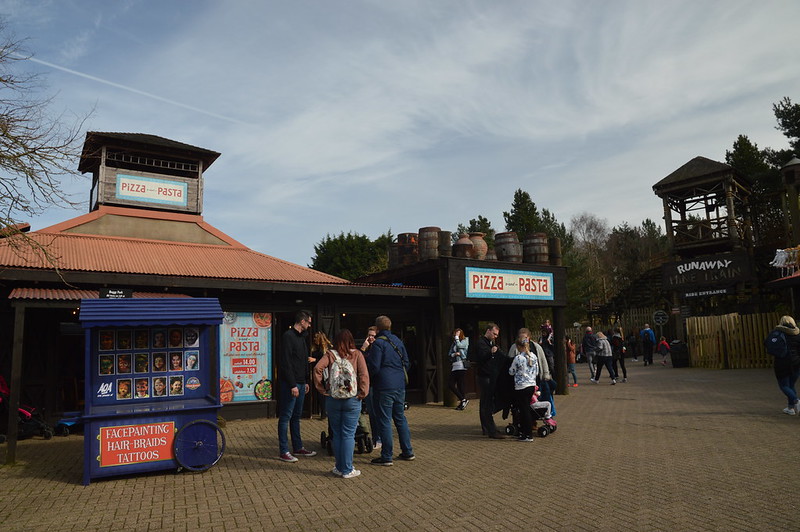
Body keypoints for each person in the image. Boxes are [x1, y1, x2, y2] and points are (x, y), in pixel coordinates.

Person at [313, 329, 370, 479]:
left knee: (337, 434)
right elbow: (364, 375)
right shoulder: (357, 354)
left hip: (333, 398)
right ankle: (347, 469)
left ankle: (339, 467)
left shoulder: (330, 355)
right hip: (352, 399)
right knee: (349, 434)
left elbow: (317, 368)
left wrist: (321, 388)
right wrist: (362, 393)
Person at [367, 315, 415, 465]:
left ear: (377, 328)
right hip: (399, 385)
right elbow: (406, 362)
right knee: (400, 418)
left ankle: (387, 455)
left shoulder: (378, 344)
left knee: (384, 420)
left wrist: (369, 377)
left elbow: (374, 366)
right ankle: (407, 451)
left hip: (384, 385)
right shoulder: (398, 341)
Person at [277, 310, 317, 463]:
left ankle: (298, 447)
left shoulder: (302, 338)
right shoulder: (288, 336)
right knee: (286, 416)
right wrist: (293, 384)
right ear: (302, 321)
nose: (309, 324)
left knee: (296, 417)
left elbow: (303, 361)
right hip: (290, 384)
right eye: (308, 322)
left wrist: (306, 381)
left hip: (301, 383)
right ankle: (284, 450)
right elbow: (286, 362)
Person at [476, 323, 505, 439]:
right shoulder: (480, 343)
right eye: (494, 334)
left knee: (486, 403)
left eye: (497, 335)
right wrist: (491, 352)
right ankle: (490, 429)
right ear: (488, 331)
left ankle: (488, 427)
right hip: (484, 377)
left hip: (490, 376)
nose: (495, 336)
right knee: (486, 403)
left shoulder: (490, 343)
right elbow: (481, 358)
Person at [508, 333, 539, 442]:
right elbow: (537, 371)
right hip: (531, 385)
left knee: (524, 410)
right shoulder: (533, 356)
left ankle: (527, 434)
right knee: (527, 409)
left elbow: (511, 372)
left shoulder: (518, 358)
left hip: (521, 387)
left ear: (518, 346)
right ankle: (527, 433)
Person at [768, 316, 800, 415]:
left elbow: (768, 344)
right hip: (796, 362)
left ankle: (796, 401)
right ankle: (790, 408)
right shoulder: (798, 334)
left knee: (784, 386)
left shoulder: (778, 333)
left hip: (782, 363)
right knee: (791, 385)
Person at [359, 326, 381, 449]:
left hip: (374, 384)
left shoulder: (377, 350)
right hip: (367, 384)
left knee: (375, 413)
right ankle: (376, 438)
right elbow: (358, 360)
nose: (371, 338)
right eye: (369, 335)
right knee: (371, 413)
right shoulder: (367, 349)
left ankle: (378, 438)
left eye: (373, 335)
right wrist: (363, 348)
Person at [311, 331, 333, 420]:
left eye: (316, 338)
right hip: (318, 373)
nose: (314, 339)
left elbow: (324, 362)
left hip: (324, 374)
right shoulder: (316, 348)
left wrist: (314, 360)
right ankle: (322, 411)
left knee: (323, 393)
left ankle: (324, 412)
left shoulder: (324, 350)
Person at [448, 328, 470, 410]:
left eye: (457, 334)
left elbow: (460, 346)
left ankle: (462, 403)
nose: (455, 336)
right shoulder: (453, 343)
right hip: (454, 365)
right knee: (450, 384)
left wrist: (457, 339)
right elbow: (449, 354)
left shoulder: (465, 340)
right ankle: (463, 400)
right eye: (455, 334)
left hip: (461, 365)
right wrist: (454, 354)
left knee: (461, 385)